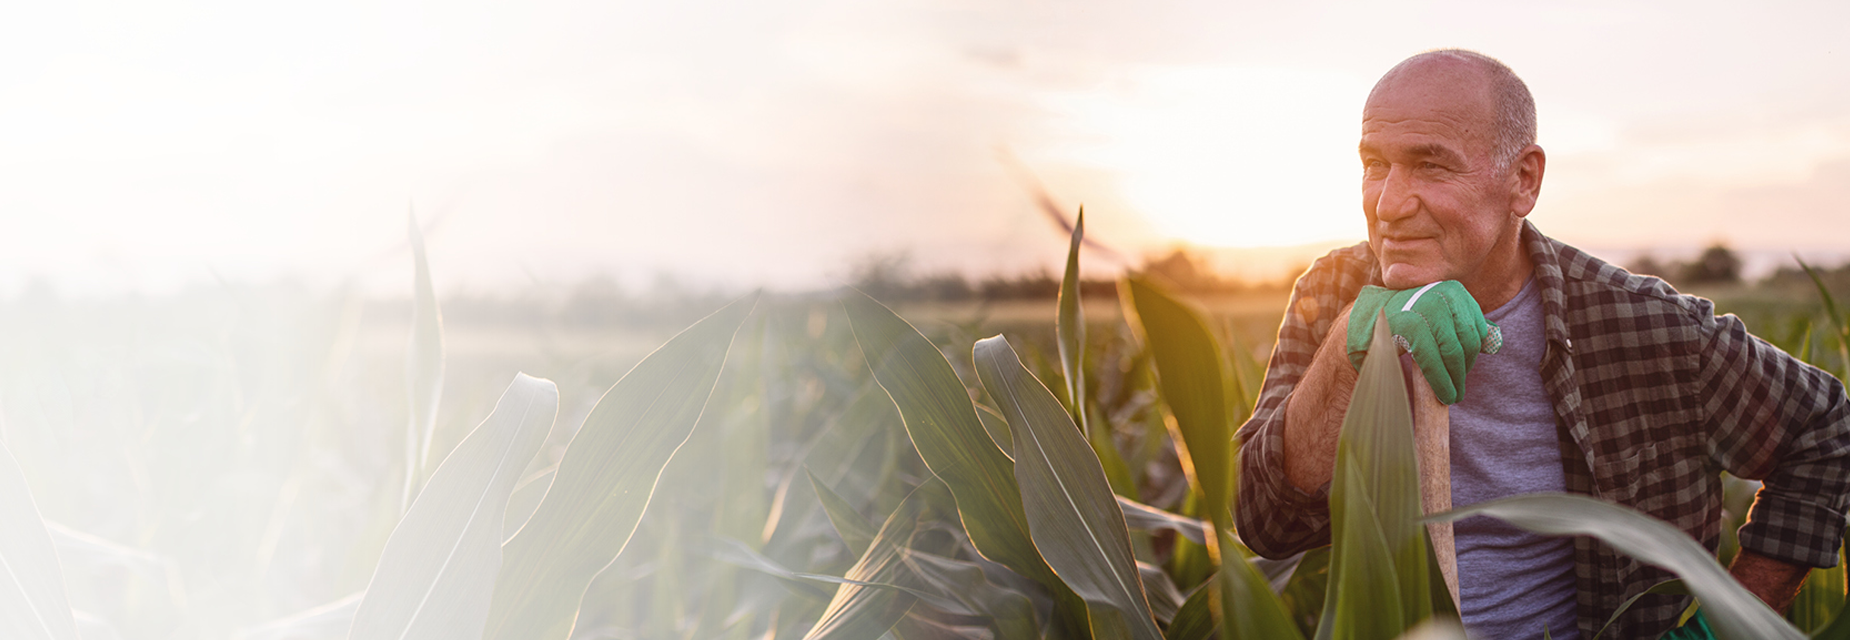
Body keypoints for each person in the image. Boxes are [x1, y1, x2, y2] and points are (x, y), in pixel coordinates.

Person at [1233, 49, 1850, 639]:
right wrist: (1350, 348)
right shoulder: (1335, 290)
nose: (1389, 203)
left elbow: (1824, 426)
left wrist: (1727, 626)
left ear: (1523, 181)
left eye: (1431, 165)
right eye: (1375, 165)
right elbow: (1267, 523)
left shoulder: (1646, 327)